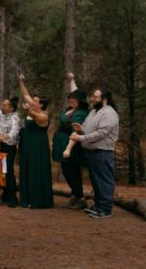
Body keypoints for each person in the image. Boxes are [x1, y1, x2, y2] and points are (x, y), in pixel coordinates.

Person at [70, 88, 119, 219]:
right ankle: (98, 205)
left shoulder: (109, 113)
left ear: (104, 99)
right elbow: (87, 128)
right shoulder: (93, 112)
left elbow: (102, 133)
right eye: (92, 96)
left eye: (96, 97)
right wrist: (81, 129)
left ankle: (106, 209)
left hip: (102, 152)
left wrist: (81, 138)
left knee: (104, 181)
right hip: (91, 152)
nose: (93, 99)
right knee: (96, 181)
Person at [52, 73, 89, 210]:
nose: (71, 99)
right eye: (70, 97)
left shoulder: (79, 113)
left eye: (74, 98)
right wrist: (72, 80)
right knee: (72, 172)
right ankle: (74, 197)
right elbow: (76, 91)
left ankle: (81, 199)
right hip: (63, 142)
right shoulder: (72, 109)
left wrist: (67, 149)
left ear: (80, 100)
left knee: (70, 173)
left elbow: (76, 131)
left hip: (70, 144)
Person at [18, 76, 54, 209]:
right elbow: (25, 93)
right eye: (32, 101)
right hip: (27, 143)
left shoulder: (43, 116)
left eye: (35, 101)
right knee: (26, 168)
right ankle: (26, 198)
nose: (32, 102)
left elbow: (34, 117)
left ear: (41, 104)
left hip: (38, 145)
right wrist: (21, 81)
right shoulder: (33, 107)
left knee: (35, 169)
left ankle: (36, 198)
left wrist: (27, 109)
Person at [0, 96, 21, 208]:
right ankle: (3, 195)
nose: (2, 107)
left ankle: (13, 198)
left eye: (4, 105)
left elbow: (15, 130)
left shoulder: (14, 119)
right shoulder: (4, 115)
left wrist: (8, 135)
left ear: (11, 108)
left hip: (9, 148)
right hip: (0, 147)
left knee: (8, 172)